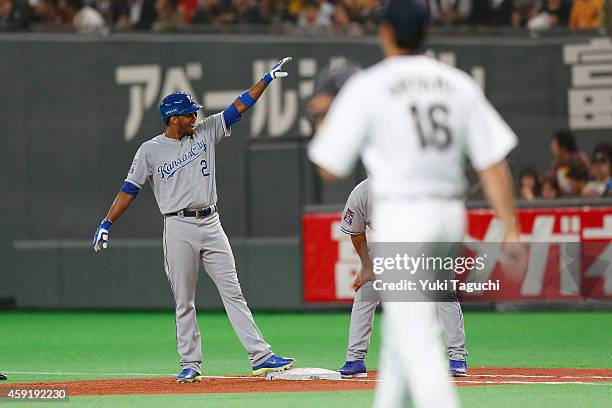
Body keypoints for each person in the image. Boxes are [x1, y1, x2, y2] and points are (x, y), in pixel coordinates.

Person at [308, 0, 520, 406]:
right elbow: (492, 162)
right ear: (427, 33)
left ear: (386, 32)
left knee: (416, 338)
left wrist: (322, 117)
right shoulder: (456, 82)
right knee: (403, 338)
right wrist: (510, 225)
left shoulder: (369, 84)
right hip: (446, 217)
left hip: (403, 217)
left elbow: (328, 166)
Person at [93, 57, 295, 383]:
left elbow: (238, 107)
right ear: (174, 119)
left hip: (211, 223)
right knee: (184, 300)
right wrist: (107, 222)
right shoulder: (150, 150)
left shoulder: (206, 130)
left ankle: (261, 356)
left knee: (233, 292)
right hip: (178, 226)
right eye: (189, 113)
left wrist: (266, 80)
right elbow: (129, 189)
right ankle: (190, 363)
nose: (195, 116)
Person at [337, 178, 469, 378]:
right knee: (366, 293)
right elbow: (356, 231)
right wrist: (366, 266)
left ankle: (457, 357)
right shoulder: (362, 192)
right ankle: (354, 359)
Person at [546, 129, 590, 196]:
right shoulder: (557, 163)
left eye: (554, 144)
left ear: (562, 146)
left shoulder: (580, 159)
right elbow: (550, 180)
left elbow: (589, 178)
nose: (551, 147)